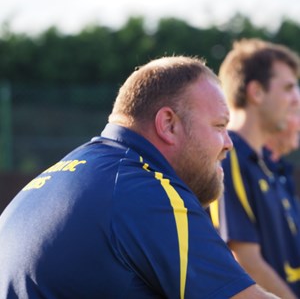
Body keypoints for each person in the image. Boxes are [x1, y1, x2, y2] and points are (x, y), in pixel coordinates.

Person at [0, 56, 276, 298]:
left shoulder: (67, 176)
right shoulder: (145, 190)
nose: (228, 143)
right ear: (168, 125)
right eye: (219, 126)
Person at [210, 38, 300, 298]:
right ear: (256, 92)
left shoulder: (264, 164)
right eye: (288, 87)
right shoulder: (229, 155)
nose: (296, 98)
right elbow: (245, 260)